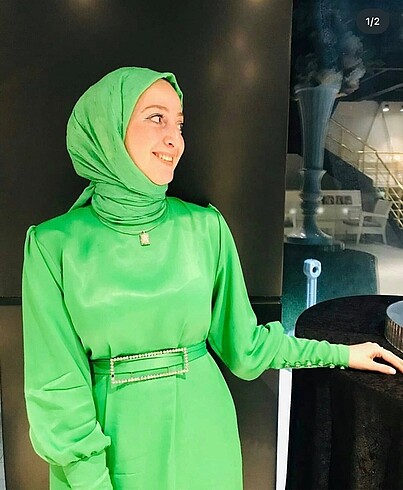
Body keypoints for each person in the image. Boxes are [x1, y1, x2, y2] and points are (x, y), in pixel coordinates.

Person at [22, 67, 403, 490]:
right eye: (156, 118)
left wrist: (340, 354)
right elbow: (56, 385)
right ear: (106, 129)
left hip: (205, 434)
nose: (174, 139)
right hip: (111, 444)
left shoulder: (204, 227)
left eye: (179, 124)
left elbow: (245, 347)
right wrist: (90, 480)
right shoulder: (53, 245)